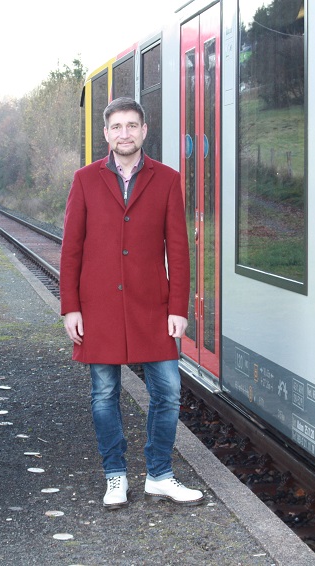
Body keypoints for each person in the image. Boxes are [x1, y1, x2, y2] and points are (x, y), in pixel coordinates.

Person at [60, 97, 204, 510]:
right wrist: (71, 307)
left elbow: (178, 251)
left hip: (152, 307)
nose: (125, 133)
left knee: (168, 391)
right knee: (104, 393)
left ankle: (159, 475)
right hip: (98, 307)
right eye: (117, 126)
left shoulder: (166, 179)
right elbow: (71, 249)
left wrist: (178, 307)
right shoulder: (85, 179)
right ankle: (116, 477)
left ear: (144, 131)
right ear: (106, 134)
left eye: (132, 126)